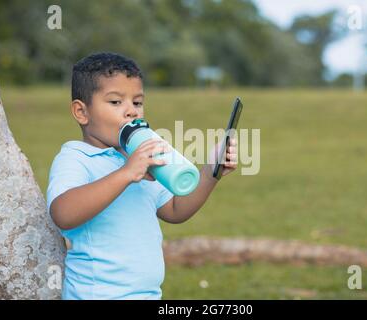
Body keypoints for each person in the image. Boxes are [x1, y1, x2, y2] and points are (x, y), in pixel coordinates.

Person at [46, 52, 238, 299]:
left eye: (137, 103)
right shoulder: (76, 157)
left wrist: (211, 173)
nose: (131, 112)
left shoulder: (139, 157)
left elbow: (175, 209)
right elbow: (63, 213)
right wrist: (126, 173)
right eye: (115, 102)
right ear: (82, 112)